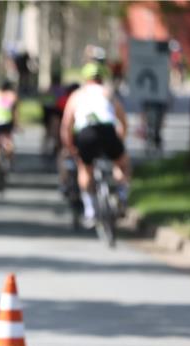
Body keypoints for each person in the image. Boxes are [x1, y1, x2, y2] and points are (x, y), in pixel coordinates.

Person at [60, 62, 130, 226]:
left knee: (84, 168)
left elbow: (66, 125)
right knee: (122, 163)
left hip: (86, 133)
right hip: (107, 130)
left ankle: (90, 210)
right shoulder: (108, 93)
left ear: (86, 78)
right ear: (102, 78)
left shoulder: (77, 95)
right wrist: (121, 137)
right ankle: (121, 195)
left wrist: (70, 147)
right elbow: (123, 120)